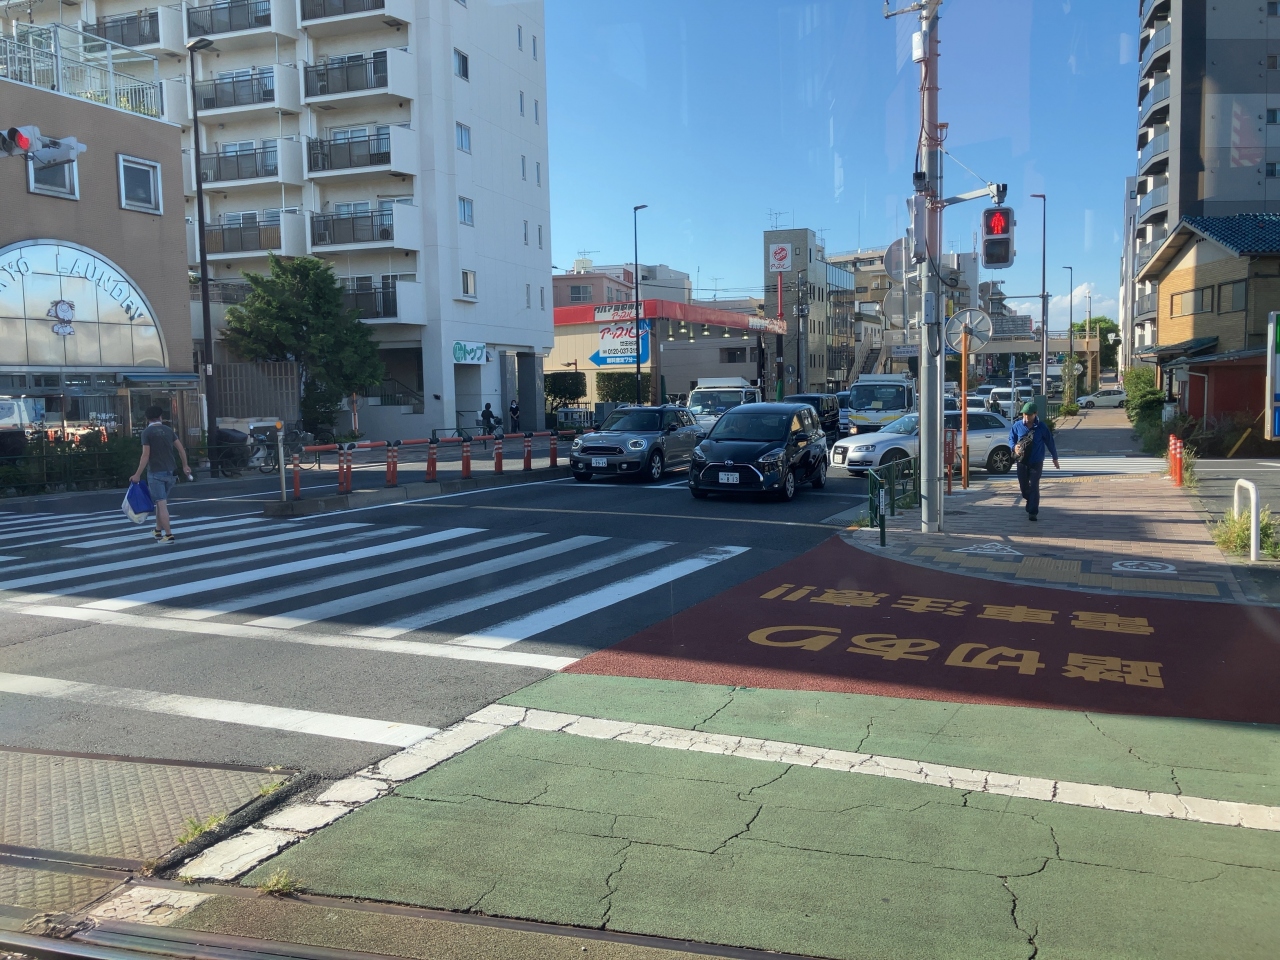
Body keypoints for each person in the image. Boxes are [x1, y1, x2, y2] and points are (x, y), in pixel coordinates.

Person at [129, 406, 193, 544]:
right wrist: (185, 465)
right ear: (160, 417)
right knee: (160, 502)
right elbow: (181, 449)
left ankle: (169, 535)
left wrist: (137, 474)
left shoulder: (147, 432)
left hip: (156, 472)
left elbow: (145, 455)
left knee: (161, 504)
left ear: (147, 419)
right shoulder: (168, 430)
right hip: (171, 472)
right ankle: (158, 530)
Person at [1008, 401, 1059, 522]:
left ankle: (1033, 512)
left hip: (1036, 461)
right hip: (1022, 461)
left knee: (1034, 485)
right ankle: (1030, 500)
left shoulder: (1041, 427)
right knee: (1024, 487)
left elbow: (1050, 442)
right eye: (1025, 414)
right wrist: (1014, 447)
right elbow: (1011, 439)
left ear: (1035, 414)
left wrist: (1055, 458)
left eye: (1029, 414)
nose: (1026, 417)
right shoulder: (1017, 425)